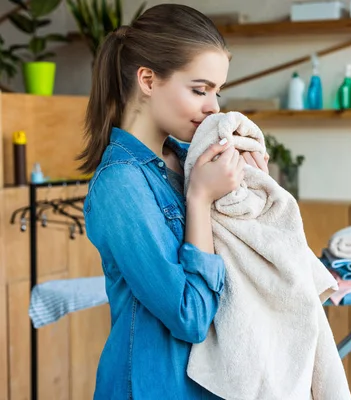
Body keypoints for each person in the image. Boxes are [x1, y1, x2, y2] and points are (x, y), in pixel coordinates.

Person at [79, 4, 269, 399]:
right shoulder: (120, 184)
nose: (214, 106)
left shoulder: (191, 158)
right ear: (147, 80)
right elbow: (191, 316)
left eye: (217, 91)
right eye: (199, 90)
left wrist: (256, 183)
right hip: (152, 386)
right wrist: (199, 197)